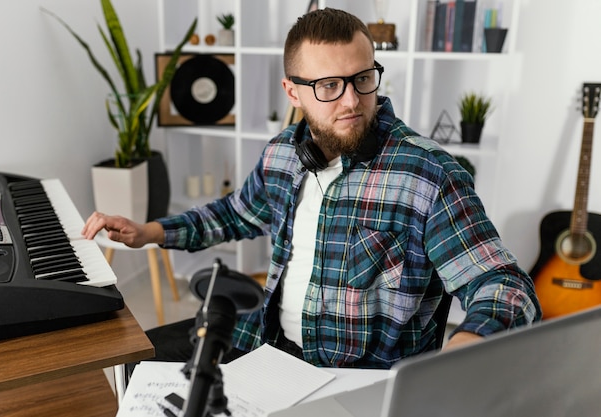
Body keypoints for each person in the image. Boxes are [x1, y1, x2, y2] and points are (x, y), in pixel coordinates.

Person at [82, 8, 541, 369]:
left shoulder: (429, 175)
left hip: (359, 377)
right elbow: (235, 214)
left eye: (363, 78)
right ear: (292, 91)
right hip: (267, 341)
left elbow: (504, 287)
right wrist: (149, 232)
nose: (351, 100)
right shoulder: (283, 153)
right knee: (139, 360)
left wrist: (465, 344)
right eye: (328, 85)